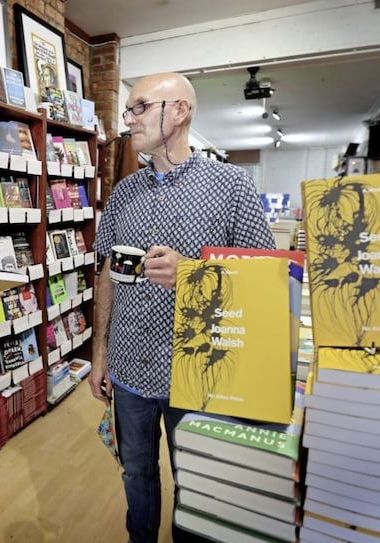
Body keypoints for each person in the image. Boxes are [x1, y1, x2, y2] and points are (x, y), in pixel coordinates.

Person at [90, 72, 275, 543]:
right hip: (130, 368)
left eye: (139, 107)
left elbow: (270, 282)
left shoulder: (233, 186)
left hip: (198, 374)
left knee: (196, 482)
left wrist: (192, 275)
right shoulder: (124, 194)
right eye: (127, 110)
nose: (127, 119)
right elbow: (107, 275)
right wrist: (100, 355)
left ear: (179, 111)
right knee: (136, 475)